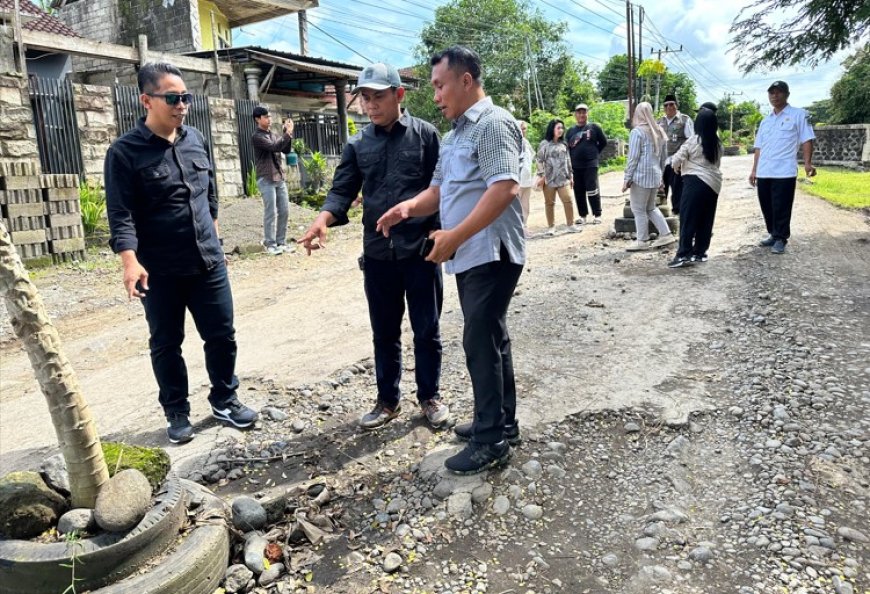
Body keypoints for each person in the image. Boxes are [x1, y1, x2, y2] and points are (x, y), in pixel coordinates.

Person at [376, 46, 524, 475]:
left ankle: (491, 441)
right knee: (493, 337)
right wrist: (407, 208)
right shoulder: (457, 133)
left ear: (466, 80)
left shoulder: (493, 125)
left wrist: (454, 236)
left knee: (479, 341)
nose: (435, 95)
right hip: (471, 253)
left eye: (440, 85)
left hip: (491, 252)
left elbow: (505, 189)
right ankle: (500, 422)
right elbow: (439, 190)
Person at [105, 62, 257, 444]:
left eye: (185, 97)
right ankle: (176, 411)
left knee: (222, 335)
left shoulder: (195, 139)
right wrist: (129, 260)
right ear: (147, 100)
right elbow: (119, 213)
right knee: (166, 342)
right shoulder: (124, 153)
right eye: (173, 98)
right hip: (160, 269)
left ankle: (225, 398)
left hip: (208, 262)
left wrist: (216, 238)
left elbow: (210, 193)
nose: (182, 105)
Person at [298, 63, 449, 430]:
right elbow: (341, 190)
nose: (370, 105)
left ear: (398, 95)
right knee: (384, 331)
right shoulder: (358, 144)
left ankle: (429, 396)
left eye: (377, 96)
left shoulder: (425, 136)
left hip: (420, 251)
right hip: (379, 255)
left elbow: (443, 187)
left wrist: (441, 236)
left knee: (426, 329)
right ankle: (387, 401)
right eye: (364, 97)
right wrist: (322, 219)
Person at [749, 80, 816, 254]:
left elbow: (807, 139)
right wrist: (754, 169)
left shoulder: (799, 114)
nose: (775, 96)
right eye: (771, 93)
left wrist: (807, 163)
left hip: (784, 171)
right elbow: (758, 147)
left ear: (787, 94)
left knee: (782, 206)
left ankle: (781, 238)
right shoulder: (765, 121)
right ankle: (773, 233)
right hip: (764, 171)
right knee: (767, 205)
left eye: (779, 92)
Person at [667, 108, 723, 268]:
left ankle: (683, 254)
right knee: (706, 219)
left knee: (688, 218)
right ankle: (700, 252)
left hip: (694, 183)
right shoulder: (717, 143)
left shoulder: (693, 140)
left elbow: (676, 159)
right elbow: (717, 164)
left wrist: (677, 168)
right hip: (713, 185)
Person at [623, 102, 678, 252]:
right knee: (650, 207)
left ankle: (642, 240)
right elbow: (663, 158)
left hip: (640, 176)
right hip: (654, 176)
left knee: (638, 209)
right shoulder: (659, 130)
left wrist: (627, 178)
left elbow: (633, 158)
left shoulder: (637, 132)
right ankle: (666, 233)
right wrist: (660, 177)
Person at [251, 106, 294, 255]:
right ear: (258, 119)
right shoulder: (257, 136)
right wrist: (287, 133)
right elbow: (274, 147)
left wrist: (286, 133)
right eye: (266, 117)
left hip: (279, 177)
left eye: (269, 117)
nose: (269, 119)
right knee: (270, 212)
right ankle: (270, 244)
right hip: (266, 178)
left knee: (284, 210)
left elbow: (285, 149)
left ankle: (281, 242)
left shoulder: (273, 134)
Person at [535, 119, 580, 235]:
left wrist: (571, 176)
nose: (561, 130)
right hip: (548, 179)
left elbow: (568, 160)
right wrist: (541, 175)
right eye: (558, 128)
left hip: (563, 178)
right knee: (549, 203)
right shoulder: (544, 144)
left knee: (568, 200)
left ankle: (570, 225)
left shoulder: (564, 144)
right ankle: (551, 227)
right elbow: (539, 160)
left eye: (562, 128)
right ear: (552, 129)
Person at [566, 103, 607, 224]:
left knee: (592, 188)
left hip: (591, 164)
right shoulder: (570, 131)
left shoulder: (594, 127)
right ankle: (582, 215)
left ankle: (597, 214)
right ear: (575, 115)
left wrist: (594, 154)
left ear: (587, 114)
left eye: (584, 112)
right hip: (575, 165)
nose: (581, 115)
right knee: (578, 190)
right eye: (579, 112)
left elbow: (603, 142)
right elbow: (567, 147)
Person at [657, 94, 694, 215]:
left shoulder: (684, 120)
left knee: (678, 188)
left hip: (677, 160)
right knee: (661, 188)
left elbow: (691, 140)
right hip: (662, 161)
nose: (669, 107)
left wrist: (683, 158)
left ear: (676, 105)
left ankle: (677, 214)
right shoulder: (660, 122)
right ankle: (661, 213)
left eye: (671, 104)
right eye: (666, 105)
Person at [517, 120, 534, 237]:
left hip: (527, 180)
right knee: (516, 207)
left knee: (525, 206)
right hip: (517, 181)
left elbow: (532, 156)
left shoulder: (526, 142)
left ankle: (525, 227)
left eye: (525, 129)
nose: (524, 131)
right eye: (522, 128)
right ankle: (518, 229)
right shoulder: (513, 142)